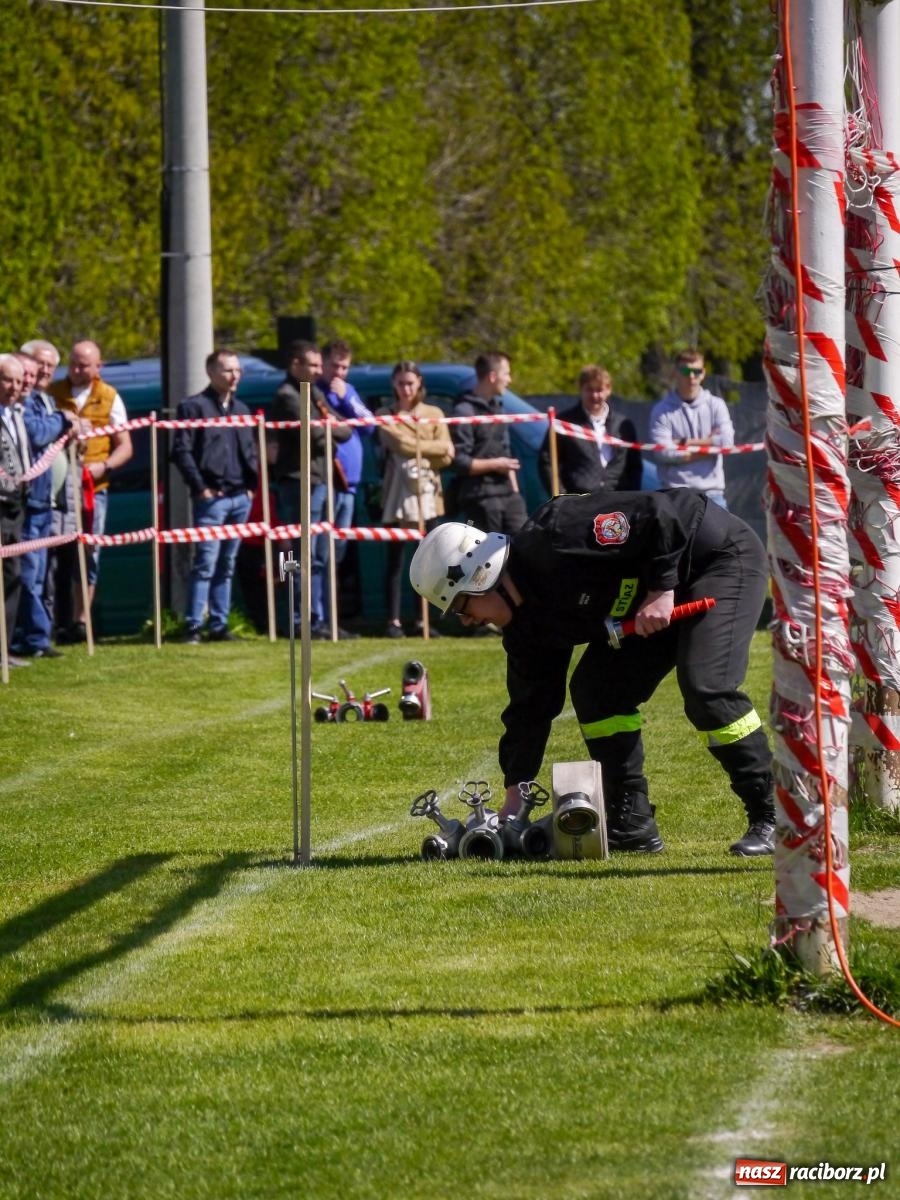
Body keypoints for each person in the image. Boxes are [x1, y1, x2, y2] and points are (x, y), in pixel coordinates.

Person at [409, 488, 775, 857]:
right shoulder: (526, 629)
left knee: (707, 688)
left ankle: (774, 816)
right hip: (655, 596)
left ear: (480, 574)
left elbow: (664, 514)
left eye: (461, 606)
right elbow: (529, 708)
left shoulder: (557, 535)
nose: (468, 620)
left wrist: (661, 587)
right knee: (598, 691)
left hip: (716, 560)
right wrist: (513, 793)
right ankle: (631, 824)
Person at [171, 349, 259, 642]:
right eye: (228, 370)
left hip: (239, 498)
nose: (235, 376)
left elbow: (250, 452)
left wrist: (250, 487)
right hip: (212, 498)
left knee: (227, 564)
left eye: (237, 370)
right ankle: (194, 625)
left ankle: (219, 625)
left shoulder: (242, 410)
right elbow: (181, 451)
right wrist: (201, 488)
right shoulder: (193, 407)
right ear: (211, 373)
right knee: (205, 563)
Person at [48, 339, 133, 641]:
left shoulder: (109, 397)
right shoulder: (53, 393)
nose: (76, 368)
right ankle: (55, 621)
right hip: (57, 488)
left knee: (88, 553)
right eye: (73, 362)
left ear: (99, 366)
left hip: (93, 488)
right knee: (56, 554)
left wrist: (105, 466)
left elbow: (125, 447)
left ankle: (80, 620)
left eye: (84, 364)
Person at [268, 340, 353, 639]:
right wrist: (328, 428)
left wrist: (327, 427)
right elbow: (319, 438)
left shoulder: (314, 393)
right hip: (298, 484)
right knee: (300, 557)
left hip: (319, 481)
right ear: (295, 365)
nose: (319, 371)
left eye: (320, 364)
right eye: (313, 365)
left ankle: (318, 619)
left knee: (318, 556)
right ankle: (299, 620)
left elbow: (345, 429)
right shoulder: (288, 396)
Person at [13, 342, 83, 658]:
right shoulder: (24, 403)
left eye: (50, 367)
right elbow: (36, 433)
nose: (42, 372)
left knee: (41, 574)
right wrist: (63, 421)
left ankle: (37, 637)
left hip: (45, 501)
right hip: (27, 502)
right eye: (38, 365)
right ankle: (31, 639)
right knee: (27, 574)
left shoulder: (45, 399)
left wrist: (71, 426)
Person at [376, 362, 454, 638]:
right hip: (397, 493)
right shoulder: (385, 414)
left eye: (410, 383)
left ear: (419, 383)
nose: (406, 389)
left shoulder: (434, 413)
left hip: (429, 494)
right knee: (396, 561)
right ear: (393, 385)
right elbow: (397, 445)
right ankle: (393, 620)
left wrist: (418, 447)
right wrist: (430, 446)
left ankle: (425, 620)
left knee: (430, 560)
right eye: (400, 383)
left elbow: (448, 455)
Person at [317, 339, 374, 616]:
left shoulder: (348, 391)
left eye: (345, 367)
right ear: (323, 363)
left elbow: (370, 425)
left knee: (336, 555)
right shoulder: (314, 392)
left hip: (349, 485)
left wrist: (347, 400)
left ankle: (332, 616)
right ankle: (320, 616)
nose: (339, 372)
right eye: (334, 366)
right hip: (327, 482)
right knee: (321, 554)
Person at [449, 351, 527, 535]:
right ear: (493, 377)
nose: (509, 380)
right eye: (506, 373)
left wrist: (515, 493)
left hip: (508, 494)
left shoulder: (499, 409)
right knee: (489, 559)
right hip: (480, 496)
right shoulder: (464, 411)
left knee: (524, 547)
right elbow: (459, 461)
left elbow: (507, 454)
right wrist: (495, 465)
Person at [538, 364, 642, 496]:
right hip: (580, 501)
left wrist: (631, 496)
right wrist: (562, 497)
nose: (594, 395)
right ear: (581, 390)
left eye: (599, 390)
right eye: (589, 390)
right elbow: (547, 462)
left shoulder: (623, 425)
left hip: (617, 499)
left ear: (608, 390)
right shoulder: (564, 423)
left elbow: (634, 467)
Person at [649, 349, 735, 508]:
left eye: (696, 371)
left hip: (712, 494)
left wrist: (684, 442)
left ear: (703, 373)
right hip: (674, 495)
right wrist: (709, 447)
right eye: (685, 370)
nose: (691, 376)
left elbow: (727, 443)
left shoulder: (716, 405)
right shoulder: (661, 410)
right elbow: (663, 453)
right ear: (675, 373)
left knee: (721, 533)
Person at [0, 354, 31, 668]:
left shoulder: (16, 414)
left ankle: (3, 650)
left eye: (18, 381)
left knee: (12, 576)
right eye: (7, 380)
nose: (13, 387)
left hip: (15, 507)